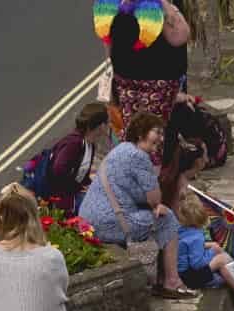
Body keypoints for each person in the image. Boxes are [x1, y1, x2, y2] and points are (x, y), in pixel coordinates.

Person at [78, 112, 196, 298]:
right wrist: (157, 205)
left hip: (90, 219)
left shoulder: (122, 149)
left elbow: (135, 194)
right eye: (156, 132)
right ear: (141, 134)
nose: (161, 138)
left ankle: (158, 278)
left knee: (154, 216)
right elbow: (155, 198)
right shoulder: (138, 156)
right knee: (168, 219)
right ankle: (171, 282)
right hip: (108, 221)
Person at [103, 0, 192, 126]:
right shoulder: (155, 7)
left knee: (135, 128)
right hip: (152, 83)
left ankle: (133, 143)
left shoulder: (112, 7)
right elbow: (180, 38)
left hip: (132, 81)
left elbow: (108, 47)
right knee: (150, 129)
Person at [42, 102, 114, 215]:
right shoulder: (74, 143)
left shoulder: (90, 143)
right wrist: (76, 187)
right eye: (107, 122)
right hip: (61, 200)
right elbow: (58, 170)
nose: (110, 125)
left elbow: (81, 174)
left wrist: (90, 185)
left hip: (71, 195)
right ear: (100, 126)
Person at [174, 193, 234, 293]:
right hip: (189, 277)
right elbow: (197, 264)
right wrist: (213, 250)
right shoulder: (196, 237)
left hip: (183, 273)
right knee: (222, 259)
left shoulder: (182, 229)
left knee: (220, 261)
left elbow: (188, 248)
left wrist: (210, 246)